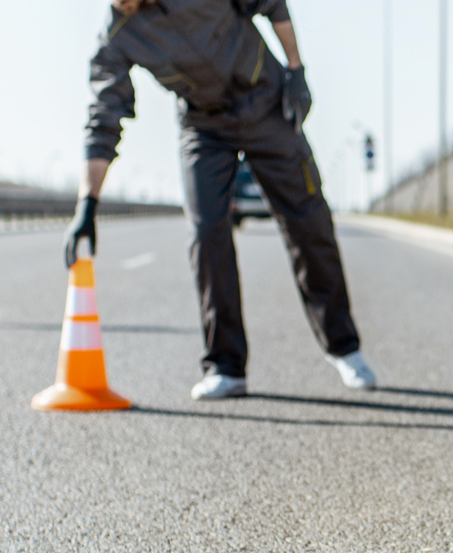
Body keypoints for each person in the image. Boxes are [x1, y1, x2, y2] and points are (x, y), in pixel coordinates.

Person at [65, 0, 377, 399]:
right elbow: (104, 118)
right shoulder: (117, 35)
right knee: (206, 230)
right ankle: (226, 366)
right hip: (204, 123)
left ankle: (344, 347)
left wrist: (296, 70)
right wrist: (87, 204)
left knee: (309, 222)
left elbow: (272, 3)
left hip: (266, 103)